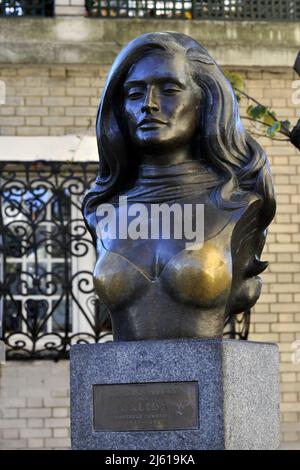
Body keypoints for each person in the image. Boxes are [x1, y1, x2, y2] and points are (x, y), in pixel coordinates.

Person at [82, 32, 276, 341]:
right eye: (134, 93)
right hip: (120, 381)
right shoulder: (104, 211)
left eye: (169, 89)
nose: (149, 104)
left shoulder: (239, 205)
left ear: (205, 101)